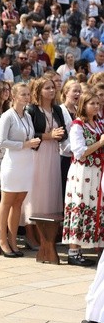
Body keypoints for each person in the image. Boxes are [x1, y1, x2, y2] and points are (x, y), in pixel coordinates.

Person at [0, 83, 39, 258]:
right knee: (7, 201)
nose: (26, 97)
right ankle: (2, 240)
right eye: (23, 94)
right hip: (13, 162)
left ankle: (13, 240)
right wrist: (24, 144)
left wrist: (30, 143)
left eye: (28, 94)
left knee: (18, 203)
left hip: (26, 161)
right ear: (14, 96)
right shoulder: (7, 116)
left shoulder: (28, 116)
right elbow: (1, 142)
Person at [24, 78, 67, 250]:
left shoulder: (57, 108)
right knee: (35, 194)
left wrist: (59, 135)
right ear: (39, 90)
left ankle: (47, 235)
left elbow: (63, 131)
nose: (51, 90)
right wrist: (49, 136)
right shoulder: (32, 109)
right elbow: (30, 132)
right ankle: (30, 235)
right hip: (37, 154)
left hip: (53, 154)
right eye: (47, 88)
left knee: (50, 193)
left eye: (53, 87)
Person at [62, 92, 103, 267]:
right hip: (83, 173)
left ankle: (95, 245)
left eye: (97, 103)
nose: (96, 106)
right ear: (83, 105)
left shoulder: (99, 123)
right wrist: (100, 143)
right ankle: (73, 251)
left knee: (95, 208)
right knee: (80, 206)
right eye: (92, 103)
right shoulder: (77, 126)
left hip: (97, 172)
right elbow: (79, 152)